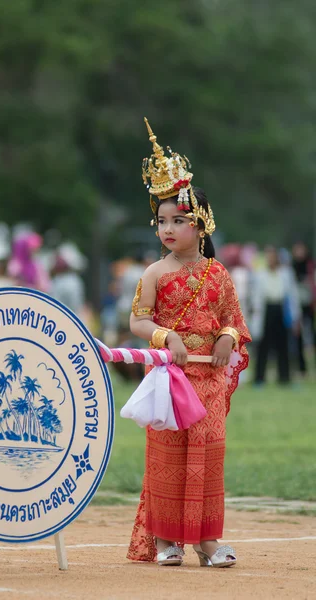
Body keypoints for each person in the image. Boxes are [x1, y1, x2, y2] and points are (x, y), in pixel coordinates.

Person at [127, 119, 251, 568]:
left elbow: (234, 320)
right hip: (171, 378)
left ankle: (207, 542)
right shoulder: (154, 273)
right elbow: (137, 321)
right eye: (161, 221)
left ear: (201, 224)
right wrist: (167, 335)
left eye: (178, 220)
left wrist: (226, 337)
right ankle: (166, 541)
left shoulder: (218, 274)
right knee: (168, 457)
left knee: (208, 456)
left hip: (210, 379)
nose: (168, 228)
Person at [252, 246, 300, 385]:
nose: (270, 259)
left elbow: (292, 295)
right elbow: (256, 296)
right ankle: (259, 378)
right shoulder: (260, 274)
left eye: (272, 256)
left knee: (283, 345)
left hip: (281, 309)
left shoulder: (286, 273)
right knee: (263, 346)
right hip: (266, 310)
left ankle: (284, 378)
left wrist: (296, 317)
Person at [291, 242, 316, 376]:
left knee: (312, 333)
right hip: (297, 304)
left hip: (310, 304)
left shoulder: (310, 265)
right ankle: (302, 368)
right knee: (298, 336)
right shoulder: (291, 266)